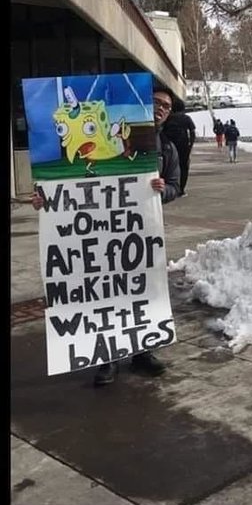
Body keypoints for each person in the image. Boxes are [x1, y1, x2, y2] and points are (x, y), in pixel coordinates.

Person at [31, 86, 181, 387]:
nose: (161, 108)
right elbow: (69, 185)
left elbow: (177, 187)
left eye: (166, 106)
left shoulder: (167, 149)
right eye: (156, 102)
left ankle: (143, 352)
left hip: (138, 231)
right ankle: (107, 358)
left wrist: (162, 190)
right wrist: (45, 200)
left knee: (140, 291)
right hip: (96, 232)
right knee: (104, 293)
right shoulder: (104, 141)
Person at [161, 96, 196, 196]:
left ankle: (166, 188)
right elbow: (192, 132)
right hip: (183, 146)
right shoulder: (186, 118)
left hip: (169, 146)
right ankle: (181, 190)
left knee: (167, 167)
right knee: (183, 167)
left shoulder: (168, 118)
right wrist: (190, 146)